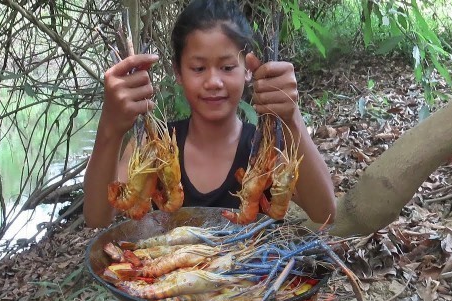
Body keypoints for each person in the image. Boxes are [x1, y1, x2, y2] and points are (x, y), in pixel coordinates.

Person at [84, 0, 336, 228]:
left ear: (248, 69)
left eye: (227, 67)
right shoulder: (152, 146)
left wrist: (291, 118)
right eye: (198, 68)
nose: (214, 81)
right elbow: (97, 217)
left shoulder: (267, 150)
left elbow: (324, 213)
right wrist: (111, 126)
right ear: (178, 72)